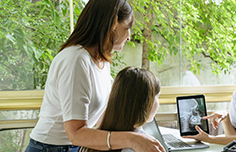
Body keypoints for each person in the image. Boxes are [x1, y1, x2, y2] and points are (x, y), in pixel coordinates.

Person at [25, 0, 165, 152]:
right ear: (112, 25)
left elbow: (101, 118)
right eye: (127, 28)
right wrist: (132, 139)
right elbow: (75, 133)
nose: (129, 36)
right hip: (52, 148)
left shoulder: (101, 61)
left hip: (75, 146)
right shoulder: (75, 60)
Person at [79, 66, 161, 152]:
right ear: (146, 103)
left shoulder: (93, 142)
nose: (158, 103)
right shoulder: (142, 146)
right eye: (157, 97)